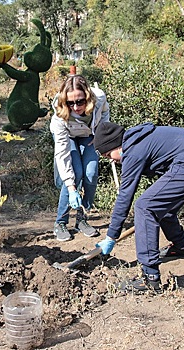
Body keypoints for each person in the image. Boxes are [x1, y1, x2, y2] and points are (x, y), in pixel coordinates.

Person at [94, 121, 184, 292]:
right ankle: (181, 247)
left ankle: (150, 278)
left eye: (108, 155)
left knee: (145, 206)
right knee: (162, 207)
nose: (111, 161)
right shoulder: (136, 140)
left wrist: (111, 236)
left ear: (117, 146)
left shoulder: (133, 151)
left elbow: (125, 196)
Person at [49, 74, 110, 241]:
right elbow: (62, 153)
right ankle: (60, 222)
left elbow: (105, 113)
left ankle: (82, 219)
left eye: (80, 101)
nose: (76, 107)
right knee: (75, 174)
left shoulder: (100, 98)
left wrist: (99, 135)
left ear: (88, 97)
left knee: (90, 173)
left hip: (89, 135)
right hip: (68, 136)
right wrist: (71, 187)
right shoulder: (59, 117)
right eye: (70, 103)